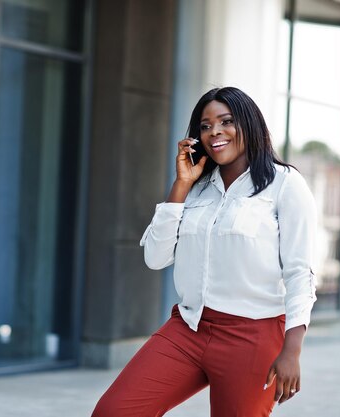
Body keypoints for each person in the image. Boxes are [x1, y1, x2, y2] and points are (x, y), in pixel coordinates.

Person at [91, 86, 317, 417]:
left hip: (252, 336)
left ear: (249, 124)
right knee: (113, 412)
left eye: (226, 121)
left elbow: (300, 272)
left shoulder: (285, 184)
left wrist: (292, 350)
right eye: (205, 125)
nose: (215, 133)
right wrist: (180, 185)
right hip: (188, 327)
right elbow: (155, 258)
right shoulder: (197, 188)